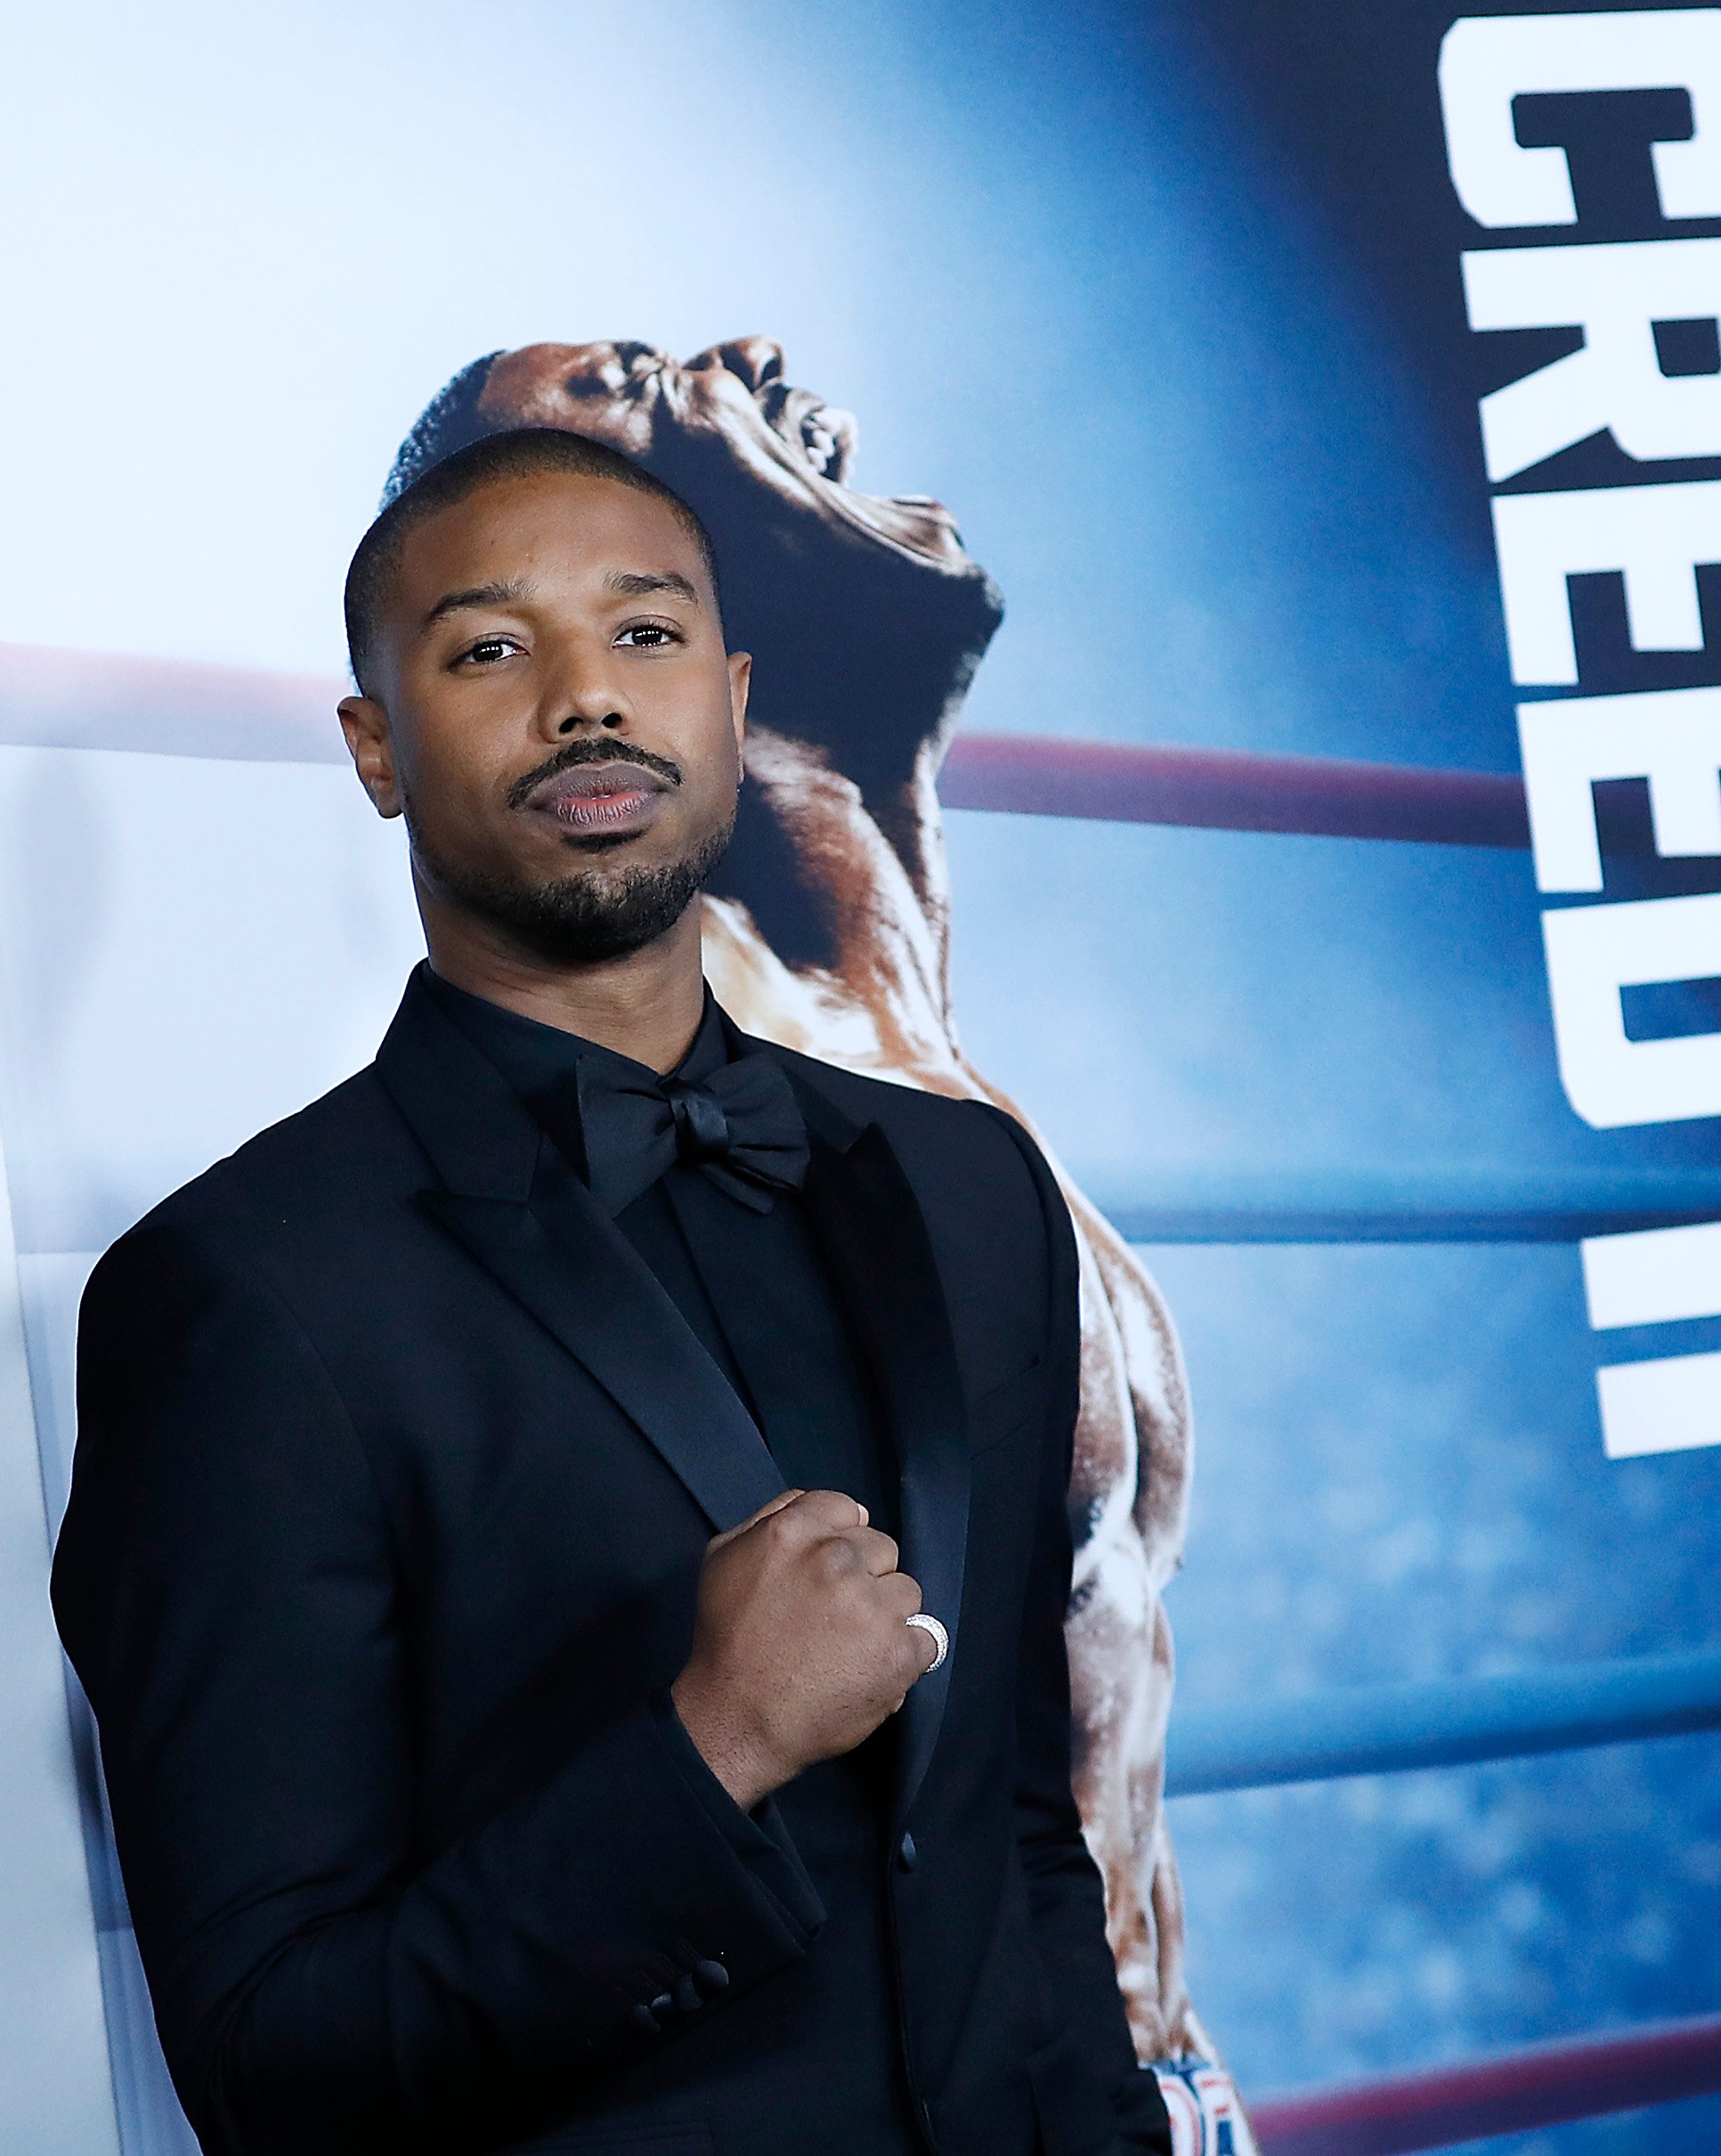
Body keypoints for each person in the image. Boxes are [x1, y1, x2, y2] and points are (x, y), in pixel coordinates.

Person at [55, 425, 1174, 2155]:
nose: (586, 697)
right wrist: (710, 1744)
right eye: (491, 647)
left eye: (643, 634)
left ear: (731, 701)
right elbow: (275, 2062)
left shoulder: (968, 1184)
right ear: (374, 745)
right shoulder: (242, 1293)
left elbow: (1021, 1830)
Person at [383, 341, 1241, 2149]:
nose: (715, 372)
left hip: (1152, 2077)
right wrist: (716, 441)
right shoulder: (677, 1087)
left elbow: (927, 601)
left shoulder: (885, 968)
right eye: (630, 395)